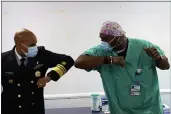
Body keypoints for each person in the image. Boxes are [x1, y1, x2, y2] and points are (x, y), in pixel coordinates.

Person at [74, 21, 170, 114]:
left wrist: (159, 58)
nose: (103, 42)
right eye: (101, 39)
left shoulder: (144, 47)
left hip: (149, 109)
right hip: (119, 110)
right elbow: (78, 62)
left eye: (107, 39)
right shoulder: (102, 51)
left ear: (119, 37)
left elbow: (165, 66)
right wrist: (109, 60)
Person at [1, 28, 74, 114]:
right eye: (32, 45)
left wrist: (49, 77)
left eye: (35, 43)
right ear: (19, 44)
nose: (35, 47)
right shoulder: (3, 60)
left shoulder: (41, 54)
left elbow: (68, 60)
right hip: (10, 109)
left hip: (35, 109)